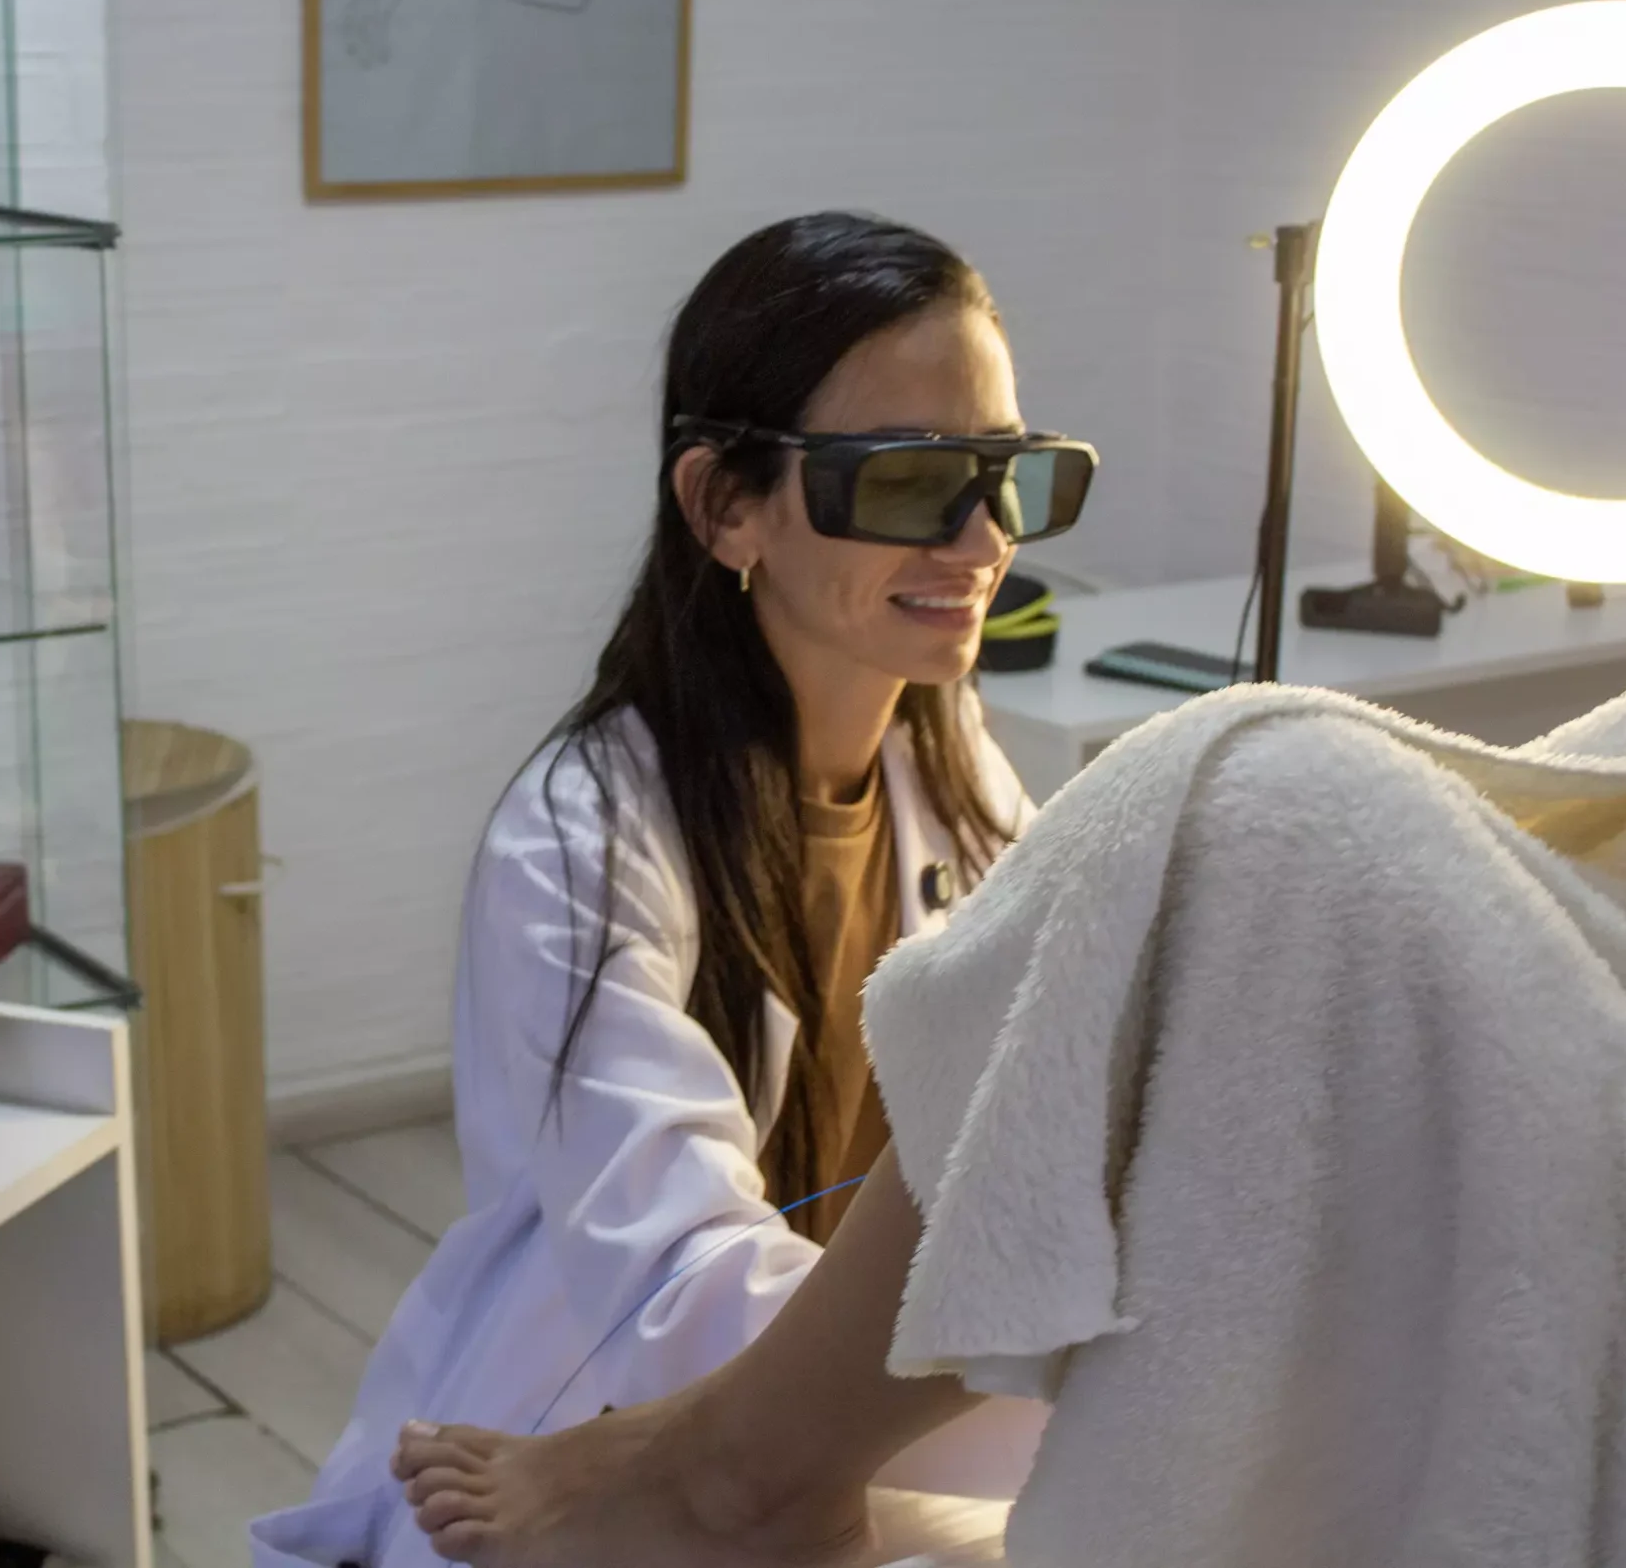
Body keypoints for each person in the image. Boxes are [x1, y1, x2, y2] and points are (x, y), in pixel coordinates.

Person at [252, 211, 1098, 1568]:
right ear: (724, 505)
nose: (982, 538)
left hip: (830, 1423)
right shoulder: (577, 842)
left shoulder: (957, 767)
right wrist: (1095, 1380)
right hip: (635, 1421)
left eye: (1010, 475)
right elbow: (686, 1305)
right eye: (905, 483)